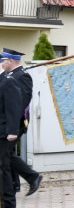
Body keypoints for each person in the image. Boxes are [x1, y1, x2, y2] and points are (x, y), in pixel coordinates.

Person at [1, 48, 42, 196]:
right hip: (8, 123)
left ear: (11, 61)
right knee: (7, 154)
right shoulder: (9, 75)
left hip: (15, 123)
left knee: (5, 155)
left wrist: (12, 127)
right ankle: (15, 184)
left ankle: (32, 177)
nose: (1, 63)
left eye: (3, 60)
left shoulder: (22, 76)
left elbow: (22, 102)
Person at [0, 61, 23, 208]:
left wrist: (13, 131)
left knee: (4, 167)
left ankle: (8, 201)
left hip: (4, 132)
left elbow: (14, 108)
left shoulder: (8, 82)